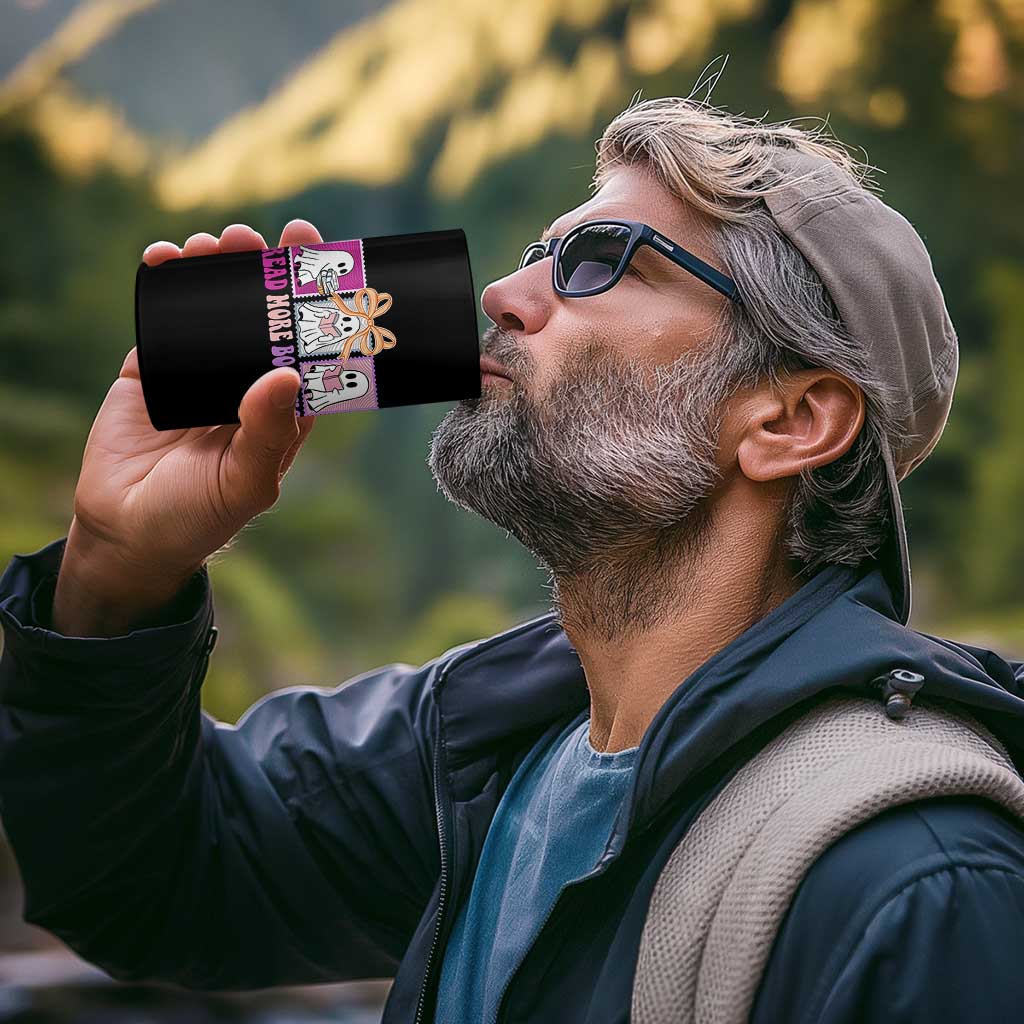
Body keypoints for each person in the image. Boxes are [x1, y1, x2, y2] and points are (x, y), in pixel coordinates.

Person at [2, 94, 1024, 1024]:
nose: (502, 291)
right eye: (540, 252)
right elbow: (149, 880)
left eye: (599, 261)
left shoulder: (918, 884)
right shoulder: (480, 748)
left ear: (790, 419)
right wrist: (115, 573)